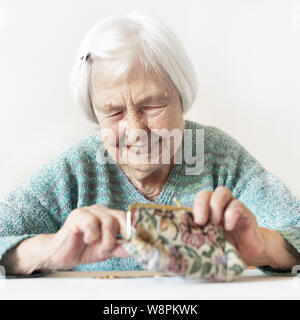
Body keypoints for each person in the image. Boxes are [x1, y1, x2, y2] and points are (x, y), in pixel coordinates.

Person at [0, 12, 299, 276]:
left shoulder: (219, 157)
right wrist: (48, 251)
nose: (135, 131)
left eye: (152, 105)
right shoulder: (74, 171)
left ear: (182, 97)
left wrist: (263, 247)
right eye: (113, 112)